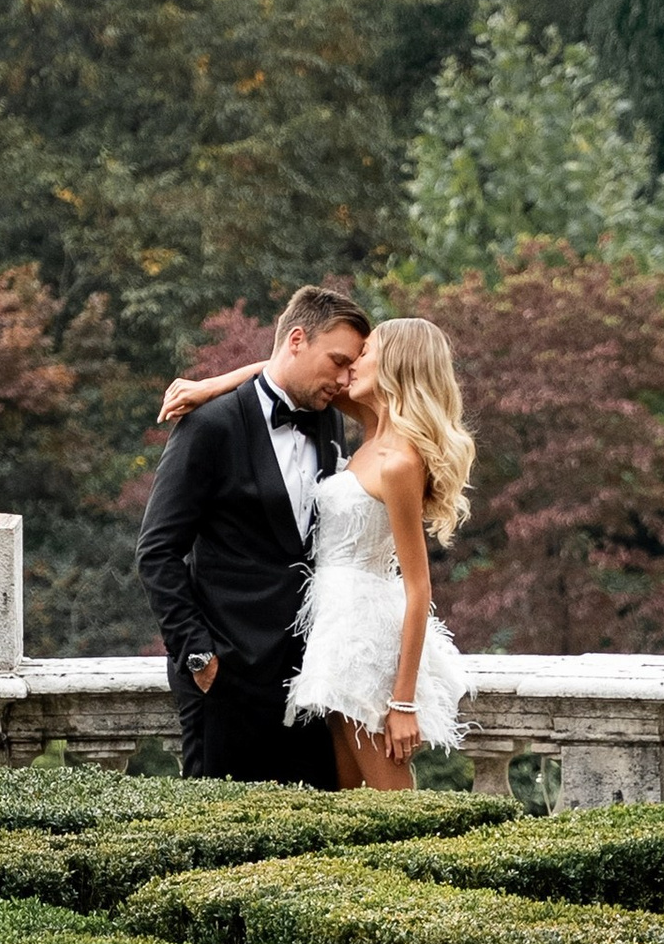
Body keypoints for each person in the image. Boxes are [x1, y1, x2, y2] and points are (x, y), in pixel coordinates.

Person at [153, 312, 473, 792]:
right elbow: (287, 377)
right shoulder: (361, 421)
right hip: (326, 631)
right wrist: (216, 385)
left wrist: (402, 701)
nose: (349, 371)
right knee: (342, 796)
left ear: (396, 368)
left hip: (361, 635)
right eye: (347, 358)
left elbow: (419, 584)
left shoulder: (400, 460)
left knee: (393, 803)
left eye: (363, 356)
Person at [134, 283, 369, 785]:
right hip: (226, 681)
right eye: (338, 362)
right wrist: (197, 653)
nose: (346, 379)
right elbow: (157, 551)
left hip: (309, 678)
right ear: (297, 339)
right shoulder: (210, 425)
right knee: (218, 847)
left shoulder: (328, 420)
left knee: (310, 849)